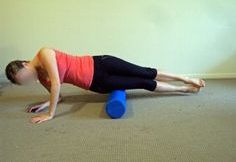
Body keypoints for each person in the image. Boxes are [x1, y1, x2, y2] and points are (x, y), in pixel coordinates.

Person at [5, 47, 205, 124]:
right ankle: (184, 89)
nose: (28, 81)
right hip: (98, 83)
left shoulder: (44, 54)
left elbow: (57, 84)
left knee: (145, 71)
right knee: (144, 82)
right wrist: (45, 104)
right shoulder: (42, 79)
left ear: (24, 65)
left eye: (24, 78)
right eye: (24, 83)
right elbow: (59, 95)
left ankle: (187, 79)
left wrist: (50, 114)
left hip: (100, 63)